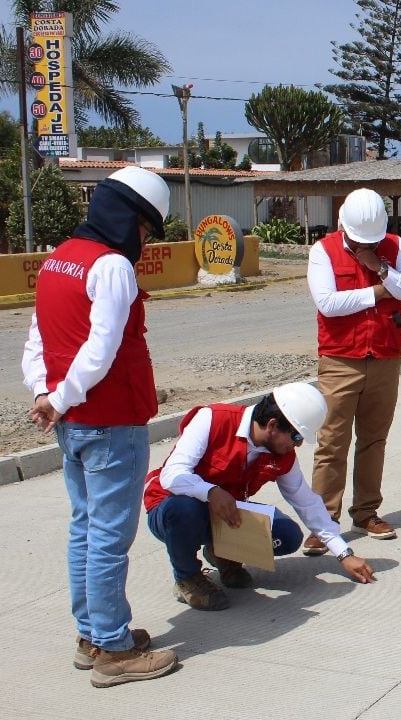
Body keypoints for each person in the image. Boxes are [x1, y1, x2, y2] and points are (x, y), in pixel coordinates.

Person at [21, 166, 179, 688]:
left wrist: (46, 395)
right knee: (109, 538)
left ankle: (92, 634)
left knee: (85, 530)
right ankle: (113, 650)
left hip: (76, 424)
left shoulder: (57, 259)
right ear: (129, 218)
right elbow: (102, 348)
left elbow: (37, 342)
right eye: (146, 229)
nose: (143, 241)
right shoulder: (111, 267)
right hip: (110, 422)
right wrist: (62, 398)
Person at [144, 383, 376, 611]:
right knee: (184, 509)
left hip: (226, 514)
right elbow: (172, 475)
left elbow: (306, 500)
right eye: (296, 436)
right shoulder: (213, 419)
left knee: (287, 535)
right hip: (170, 509)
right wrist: (210, 492)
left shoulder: (281, 453)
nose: (299, 444)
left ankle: (221, 552)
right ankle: (187, 578)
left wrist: (343, 553)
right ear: (273, 425)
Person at [303, 188, 401, 554]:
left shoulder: (395, 247)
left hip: (386, 358)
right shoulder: (322, 251)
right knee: (332, 443)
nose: (363, 244)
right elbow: (328, 304)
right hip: (341, 360)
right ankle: (323, 523)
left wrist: (382, 268)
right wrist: (379, 292)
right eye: (357, 239)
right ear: (343, 225)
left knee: (374, 439)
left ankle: (366, 512)